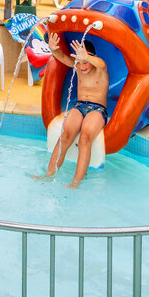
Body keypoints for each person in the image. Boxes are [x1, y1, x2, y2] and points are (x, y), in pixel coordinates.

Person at [37, 34, 109, 188]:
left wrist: (87, 57)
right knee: (66, 135)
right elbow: (62, 57)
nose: (82, 66)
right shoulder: (78, 65)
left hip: (97, 109)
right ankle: (49, 173)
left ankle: (76, 181)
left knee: (85, 138)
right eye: (79, 62)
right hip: (80, 106)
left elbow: (101, 64)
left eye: (85, 62)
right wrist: (53, 49)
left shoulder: (100, 68)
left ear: (91, 57)